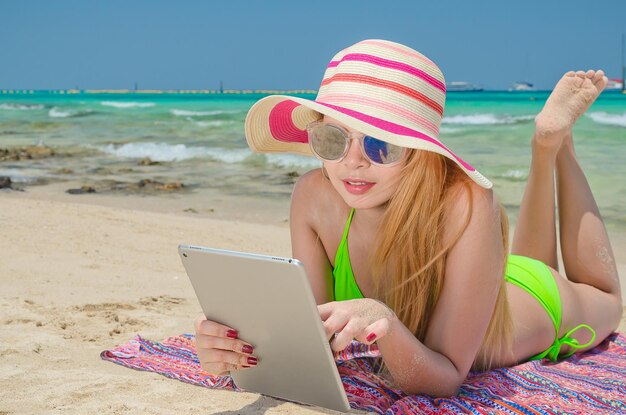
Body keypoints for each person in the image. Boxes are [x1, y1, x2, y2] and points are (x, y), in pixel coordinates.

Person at [194, 39, 622, 397]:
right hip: (479, 277)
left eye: (380, 146)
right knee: (533, 256)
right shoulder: (314, 198)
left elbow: (446, 378)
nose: (353, 163)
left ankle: (552, 145)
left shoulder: (466, 203)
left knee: (602, 297)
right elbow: (313, 339)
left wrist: (381, 319)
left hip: (531, 299)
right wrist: (234, 346)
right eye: (332, 139)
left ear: (420, 153)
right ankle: (546, 147)